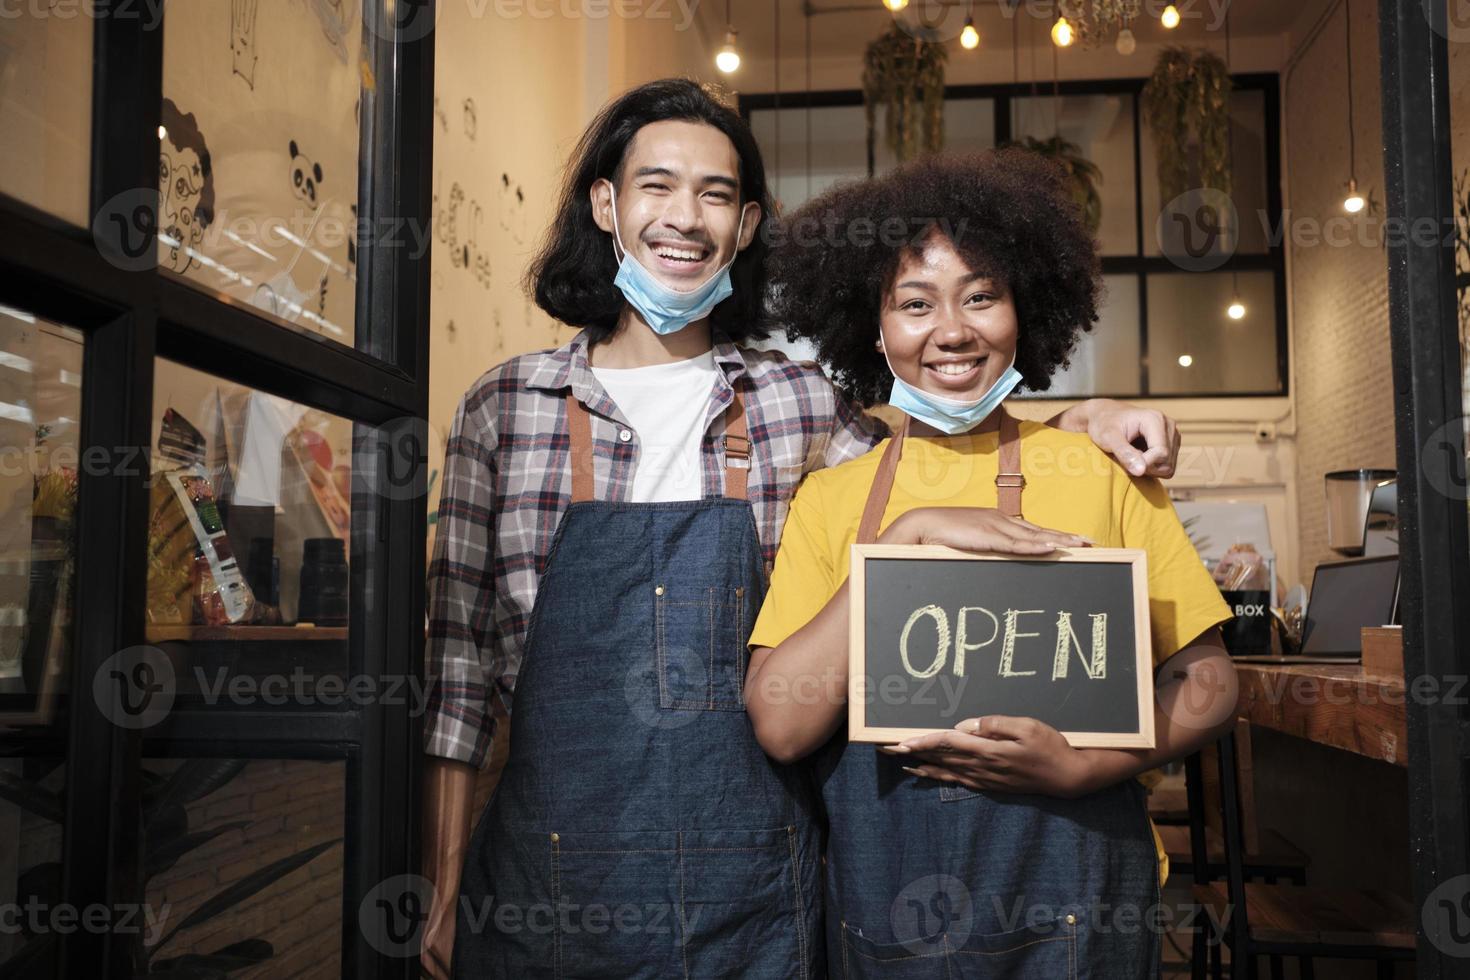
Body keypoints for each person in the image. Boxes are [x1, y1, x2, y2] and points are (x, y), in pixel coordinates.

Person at [422, 79, 1192, 978]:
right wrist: (440, 884)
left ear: (745, 226)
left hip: (751, 888)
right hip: (546, 877)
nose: (686, 217)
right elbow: (459, 673)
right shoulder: (505, 407)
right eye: (656, 186)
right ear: (606, 203)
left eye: (716, 194)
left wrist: (1078, 421)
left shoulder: (799, 404)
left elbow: (942, 437)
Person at [745, 150, 1238, 977]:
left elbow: (1213, 684)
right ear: (874, 327)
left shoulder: (1098, 470)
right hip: (887, 908)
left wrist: (1084, 766)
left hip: (1081, 896)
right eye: (914, 303)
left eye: (982, 295)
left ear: (1024, 309)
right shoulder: (832, 500)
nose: (952, 329)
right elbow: (781, 724)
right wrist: (900, 540)